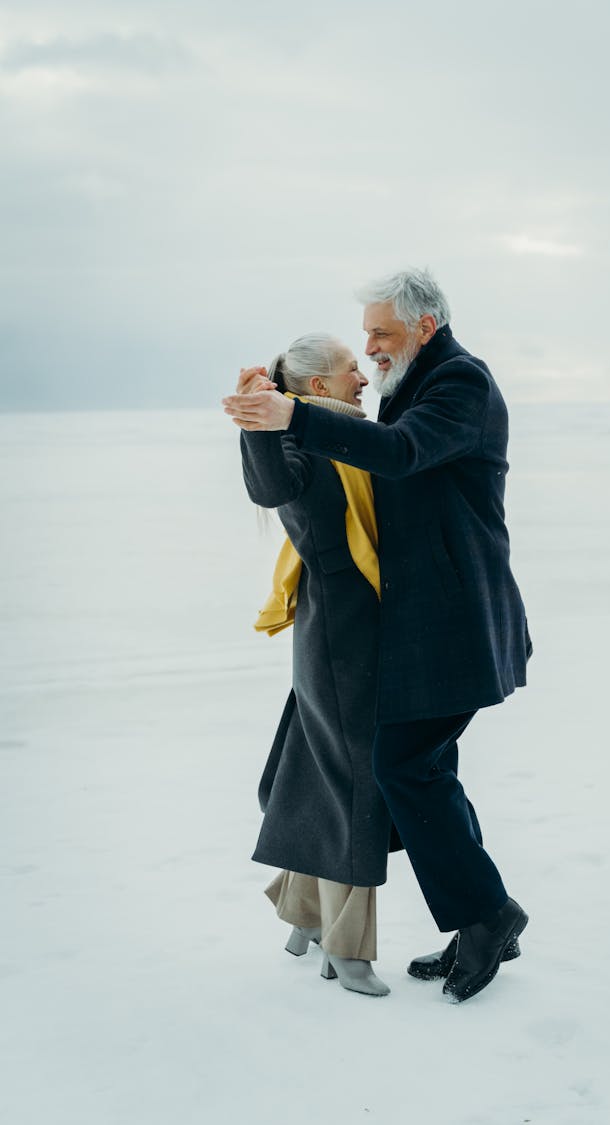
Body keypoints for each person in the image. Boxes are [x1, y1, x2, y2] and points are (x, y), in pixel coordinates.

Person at [224, 268, 533, 1004]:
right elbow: (305, 477)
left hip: (455, 623)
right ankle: (481, 918)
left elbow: (395, 455)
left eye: (381, 333)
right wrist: (272, 424)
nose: (369, 350)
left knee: (404, 765)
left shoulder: (460, 384)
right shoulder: (413, 383)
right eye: (362, 337)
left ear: (425, 326)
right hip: (420, 630)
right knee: (423, 766)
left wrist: (291, 414)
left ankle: (488, 915)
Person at [232, 333, 393, 998]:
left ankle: (302, 911)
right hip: (339, 635)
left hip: (345, 629)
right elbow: (271, 486)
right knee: (359, 781)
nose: (362, 375)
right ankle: (347, 946)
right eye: (350, 369)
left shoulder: (352, 433)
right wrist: (258, 420)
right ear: (319, 387)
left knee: (320, 766)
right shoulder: (303, 438)